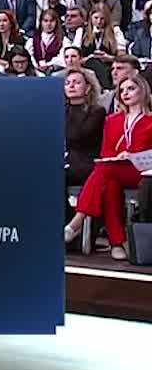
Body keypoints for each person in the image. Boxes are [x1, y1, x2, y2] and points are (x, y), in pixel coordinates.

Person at [66, 74, 152, 261]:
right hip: (115, 169)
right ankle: (116, 243)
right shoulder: (113, 120)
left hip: (141, 172)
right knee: (110, 184)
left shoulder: (150, 121)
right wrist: (117, 157)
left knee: (104, 171)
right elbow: (106, 151)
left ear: (143, 91)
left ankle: (76, 222)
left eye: (131, 89)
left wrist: (131, 154)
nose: (125, 93)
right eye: (122, 90)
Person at [64, 68, 106, 188]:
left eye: (77, 83)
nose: (71, 86)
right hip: (64, 163)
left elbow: (76, 135)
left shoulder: (97, 111)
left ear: (87, 88)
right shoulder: (59, 110)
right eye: (67, 83)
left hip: (84, 165)